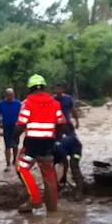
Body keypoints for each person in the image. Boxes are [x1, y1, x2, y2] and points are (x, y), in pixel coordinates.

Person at [15, 74, 67, 214]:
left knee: (22, 167)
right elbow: (62, 123)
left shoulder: (27, 103)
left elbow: (21, 124)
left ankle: (36, 199)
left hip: (32, 144)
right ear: (43, 87)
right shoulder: (55, 103)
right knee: (49, 175)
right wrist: (56, 138)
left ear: (30, 88)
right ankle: (52, 210)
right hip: (48, 144)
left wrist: (14, 138)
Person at [0, 87, 22, 171]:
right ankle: (8, 163)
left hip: (16, 127)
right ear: (6, 95)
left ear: (13, 95)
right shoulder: (1, 104)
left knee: (15, 145)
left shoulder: (18, 104)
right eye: (8, 95)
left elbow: (22, 115)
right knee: (7, 145)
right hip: (6, 127)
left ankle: (14, 160)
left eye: (11, 94)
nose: (9, 96)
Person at [54, 133, 84, 199]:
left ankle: (79, 192)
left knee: (74, 166)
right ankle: (56, 189)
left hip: (77, 149)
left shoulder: (59, 150)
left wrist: (64, 176)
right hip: (67, 147)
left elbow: (66, 163)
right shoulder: (50, 153)